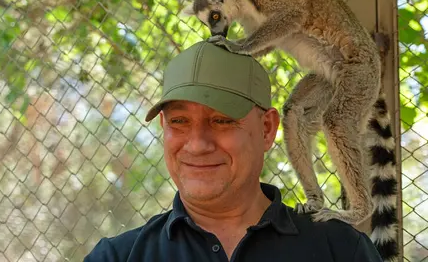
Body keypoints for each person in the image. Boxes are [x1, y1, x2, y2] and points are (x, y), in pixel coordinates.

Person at [83, 41, 382, 261]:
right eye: (179, 121)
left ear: (267, 129)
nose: (198, 144)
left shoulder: (340, 250)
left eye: (222, 120)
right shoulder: (117, 257)